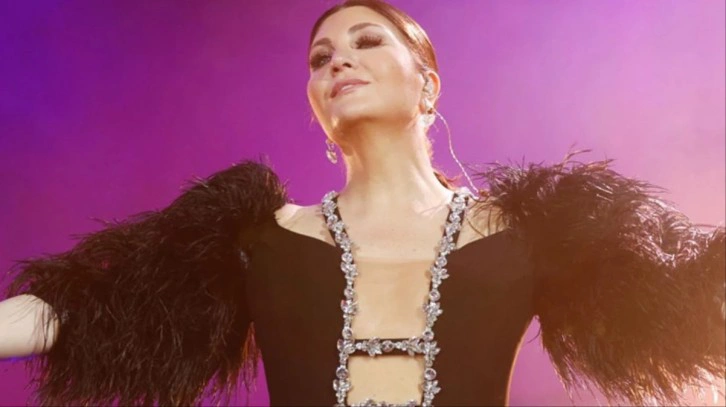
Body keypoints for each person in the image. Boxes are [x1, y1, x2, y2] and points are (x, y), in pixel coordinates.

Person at [0, 0, 724, 406]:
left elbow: (688, 296)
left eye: (367, 41)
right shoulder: (259, 237)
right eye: (321, 58)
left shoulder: (530, 231)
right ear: (317, 104)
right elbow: (90, 310)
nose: (338, 59)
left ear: (427, 85)